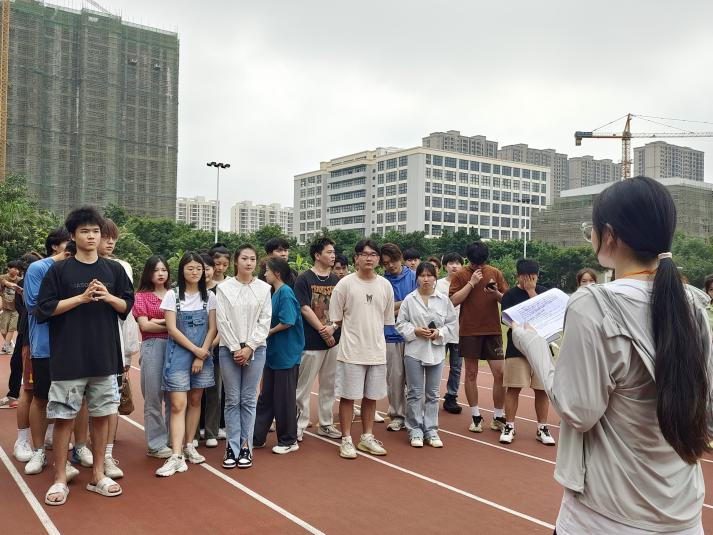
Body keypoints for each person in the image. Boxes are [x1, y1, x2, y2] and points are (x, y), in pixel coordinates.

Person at [514, 176, 713, 533]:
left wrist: (532, 344)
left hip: (604, 517)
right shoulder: (693, 304)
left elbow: (578, 411)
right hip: (684, 514)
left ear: (608, 236)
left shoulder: (593, 304)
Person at [37, 207, 134, 505]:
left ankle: (98, 475)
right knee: (63, 418)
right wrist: (80, 298)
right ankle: (59, 478)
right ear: (73, 235)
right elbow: (45, 309)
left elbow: (126, 306)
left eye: (95, 231)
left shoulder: (114, 270)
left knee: (102, 416)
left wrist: (108, 296)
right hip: (69, 358)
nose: (91, 236)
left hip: (104, 357)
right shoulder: (59, 270)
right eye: (85, 231)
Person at [155, 252, 217, 477]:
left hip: (202, 357)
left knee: (195, 400)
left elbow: (213, 328)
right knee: (177, 405)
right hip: (179, 356)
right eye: (190, 268)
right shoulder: (172, 296)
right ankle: (176, 454)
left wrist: (201, 355)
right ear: (182, 270)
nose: (195, 272)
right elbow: (172, 329)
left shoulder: (210, 296)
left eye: (199, 268)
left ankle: (190, 445)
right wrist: (195, 350)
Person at [332, 239, 395, 459]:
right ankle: (346, 439)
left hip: (376, 351)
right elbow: (336, 318)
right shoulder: (345, 285)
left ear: (379, 259)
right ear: (356, 258)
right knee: (348, 397)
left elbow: (386, 319)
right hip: (351, 351)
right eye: (364, 254)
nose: (369, 258)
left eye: (373, 254)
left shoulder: (385, 285)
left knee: (371, 397)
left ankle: (367, 437)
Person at [216, 244, 271, 469]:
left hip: (256, 350)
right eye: (244, 258)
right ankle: (232, 447)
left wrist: (249, 347)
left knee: (248, 399)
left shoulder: (264, 289)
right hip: (228, 350)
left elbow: (265, 321)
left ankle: (246, 445)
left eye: (252, 259)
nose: (249, 263)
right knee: (232, 399)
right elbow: (222, 320)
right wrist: (234, 348)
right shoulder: (223, 288)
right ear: (236, 261)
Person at [449, 241, 508, 433]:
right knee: (471, 373)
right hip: (469, 330)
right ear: (469, 259)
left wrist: (496, 293)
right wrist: (471, 283)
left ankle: (498, 416)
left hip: (492, 331)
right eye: (474, 263)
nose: (478, 267)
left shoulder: (495, 272)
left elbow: (507, 300)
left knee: (500, 374)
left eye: (481, 263)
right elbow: (453, 301)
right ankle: (475, 416)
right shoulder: (460, 275)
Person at [396, 262, 457, 448]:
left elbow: (452, 324)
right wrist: (415, 330)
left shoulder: (443, 300)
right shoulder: (409, 300)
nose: (426, 279)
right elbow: (400, 323)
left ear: (435, 278)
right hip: (414, 351)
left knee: (432, 393)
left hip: (436, 351)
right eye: (422, 275)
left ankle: (431, 429)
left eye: (429, 275)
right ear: (417, 279)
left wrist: (439, 332)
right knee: (414, 392)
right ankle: (414, 429)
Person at [98, 218, 140, 480]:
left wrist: (127, 351)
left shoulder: (122, 267)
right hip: (87, 343)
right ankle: (81, 447)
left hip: (115, 344)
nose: (110, 242)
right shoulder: (74, 266)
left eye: (113, 237)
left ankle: (107, 453)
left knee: (111, 400)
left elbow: (127, 310)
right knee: (82, 401)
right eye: (105, 236)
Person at [498, 259, 555, 446]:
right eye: (526, 277)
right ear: (518, 277)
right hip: (517, 348)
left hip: (541, 347)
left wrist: (531, 291)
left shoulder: (544, 293)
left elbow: (545, 316)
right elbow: (507, 320)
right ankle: (509, 426)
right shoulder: (509, 295)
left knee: (542, 389)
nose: (530, 281)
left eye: (533, 277)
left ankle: (542, 427)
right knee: (513, 387)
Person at [254, 258, 304, 454]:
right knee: (266, 397)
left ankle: (289, 440)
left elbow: (288, 321)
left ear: (277, 273)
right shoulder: (275, 293)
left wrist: (268, 332)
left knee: (284, 398)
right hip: (274, 354)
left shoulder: (285, 293)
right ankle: (256, 436)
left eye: (267, 270)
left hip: (286, 354)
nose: (265, 274)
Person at [293, 237, 341, 442]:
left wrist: (333, 328)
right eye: (329, 252)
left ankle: (326, 424)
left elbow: (343, 309)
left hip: (334, 341)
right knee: (303, 387)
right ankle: (298, 425)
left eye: (333, 252)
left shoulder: (337, 281)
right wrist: (323, 330)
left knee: (329, 385)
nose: (333, 256)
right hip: (311, 342)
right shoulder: (304, 279)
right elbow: (304, 308)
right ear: (317, 255)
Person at [133, 255, 172, 458]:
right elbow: (145, 326)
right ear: (149, 273)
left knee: (174, 396)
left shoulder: (174, 294)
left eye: (163, 270)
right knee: (153, 396)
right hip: (153, 346)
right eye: (156, 270)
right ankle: (156, 444)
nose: (160, 274)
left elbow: (153, 322)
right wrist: (170, 324)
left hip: (175, 347)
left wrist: (156, 321)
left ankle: (173, 439)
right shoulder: (141, 296)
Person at [380, 243, 416, 432]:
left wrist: (394, 308)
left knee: (415, 379)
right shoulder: (381, 281)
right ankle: (397, 415)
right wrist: (405, 304)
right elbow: (381, 309)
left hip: (412, 336)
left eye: (393, 261)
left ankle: (415, 416)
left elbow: (419, 302)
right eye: (386, 263)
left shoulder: (414, 276)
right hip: (390, 336)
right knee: (394, 379)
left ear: (400, 258)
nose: (390, 266)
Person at [436, 253, 464, 414]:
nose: (454, 266)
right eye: (451, 263)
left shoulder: (467, 284)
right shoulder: (438, 284)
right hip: (442, 332)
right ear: (445, 266)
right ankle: (432, 394)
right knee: (437, 364)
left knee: (456, 367)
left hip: (460, 332)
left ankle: (451, 396)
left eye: (457, 263)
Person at [0, 259, 22, 354]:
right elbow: (5, 283)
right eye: (14, 268)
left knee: (12, 328)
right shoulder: (2, 277)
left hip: (16, 308)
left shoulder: (20, 280)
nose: (17, 271)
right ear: (8, 268)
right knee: (3, 330)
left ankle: (6, 347)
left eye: (18, 269)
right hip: (5, 307)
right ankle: (8, 343)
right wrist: (12, 285)